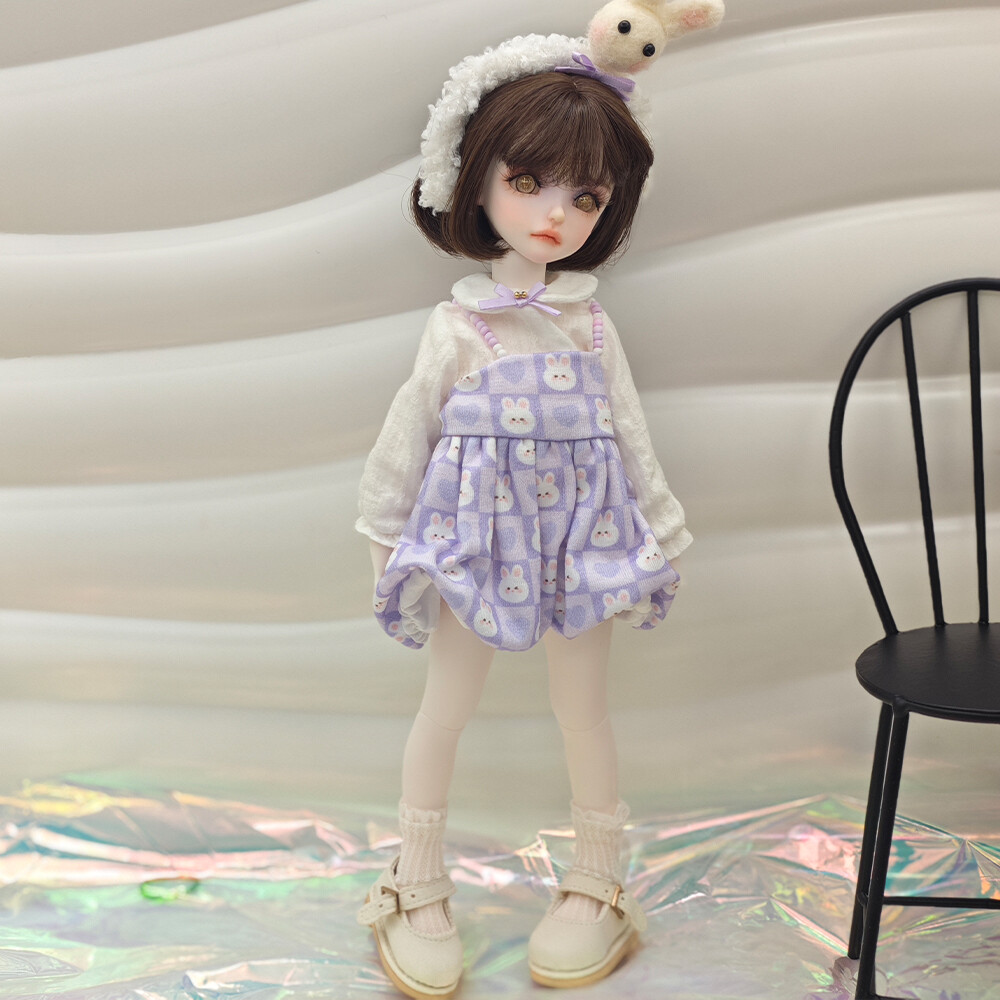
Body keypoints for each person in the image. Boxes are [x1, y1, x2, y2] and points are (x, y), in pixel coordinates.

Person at [355, 32, 692, 999]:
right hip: (472, 541)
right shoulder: (458, 325)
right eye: (530, 181)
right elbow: (409, 429)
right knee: (446, 705)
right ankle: (417, 879)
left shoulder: (591, 324)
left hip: (584, 540)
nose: (554, 215)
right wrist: (386, 532)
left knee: (583, 708)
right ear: (477, 178)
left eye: (586, 198)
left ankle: (598, 877)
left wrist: (660, 532)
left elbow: (628, 431)